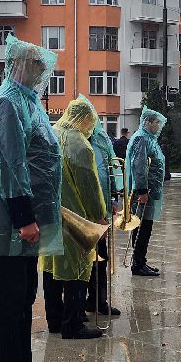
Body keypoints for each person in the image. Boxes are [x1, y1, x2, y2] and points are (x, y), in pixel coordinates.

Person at [0, 36, 64, 362]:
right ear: (19, 65)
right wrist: (24, 217)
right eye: (36, 66)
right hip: (12, 223)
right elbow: (9, 165)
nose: (40, 73)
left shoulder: (27, 102)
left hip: (28, 222)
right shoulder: (6, 104)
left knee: (25, 295)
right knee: (9, 303)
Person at [43, 97, 108, 340]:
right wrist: (99, 216)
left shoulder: (49, 134)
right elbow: (89, 186)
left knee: (51, 266)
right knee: (77, 268)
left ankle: (54, 320)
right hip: (74, 217)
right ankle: (72, 324)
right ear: (84, 119)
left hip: (49, 213)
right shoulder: (79, 145)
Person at [87, 107, 121, 318]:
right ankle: (89, 301)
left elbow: (111, 167)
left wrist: (114, 197)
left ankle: (98, 300)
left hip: (102, 205)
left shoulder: (101, 139)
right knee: (88, 258)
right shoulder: (76, 141)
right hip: (86, 210)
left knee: (101, 257)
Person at [128, 107, 168, 276]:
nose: (158, 126)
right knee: (141, 229)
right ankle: (138, 264)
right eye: (156, 122)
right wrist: (142, 190)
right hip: (143, 193)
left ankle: (141, 260)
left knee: (146, 227)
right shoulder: (142, 139)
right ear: (148, 122)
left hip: (149, 191)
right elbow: (139, 165)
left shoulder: (148, 138)